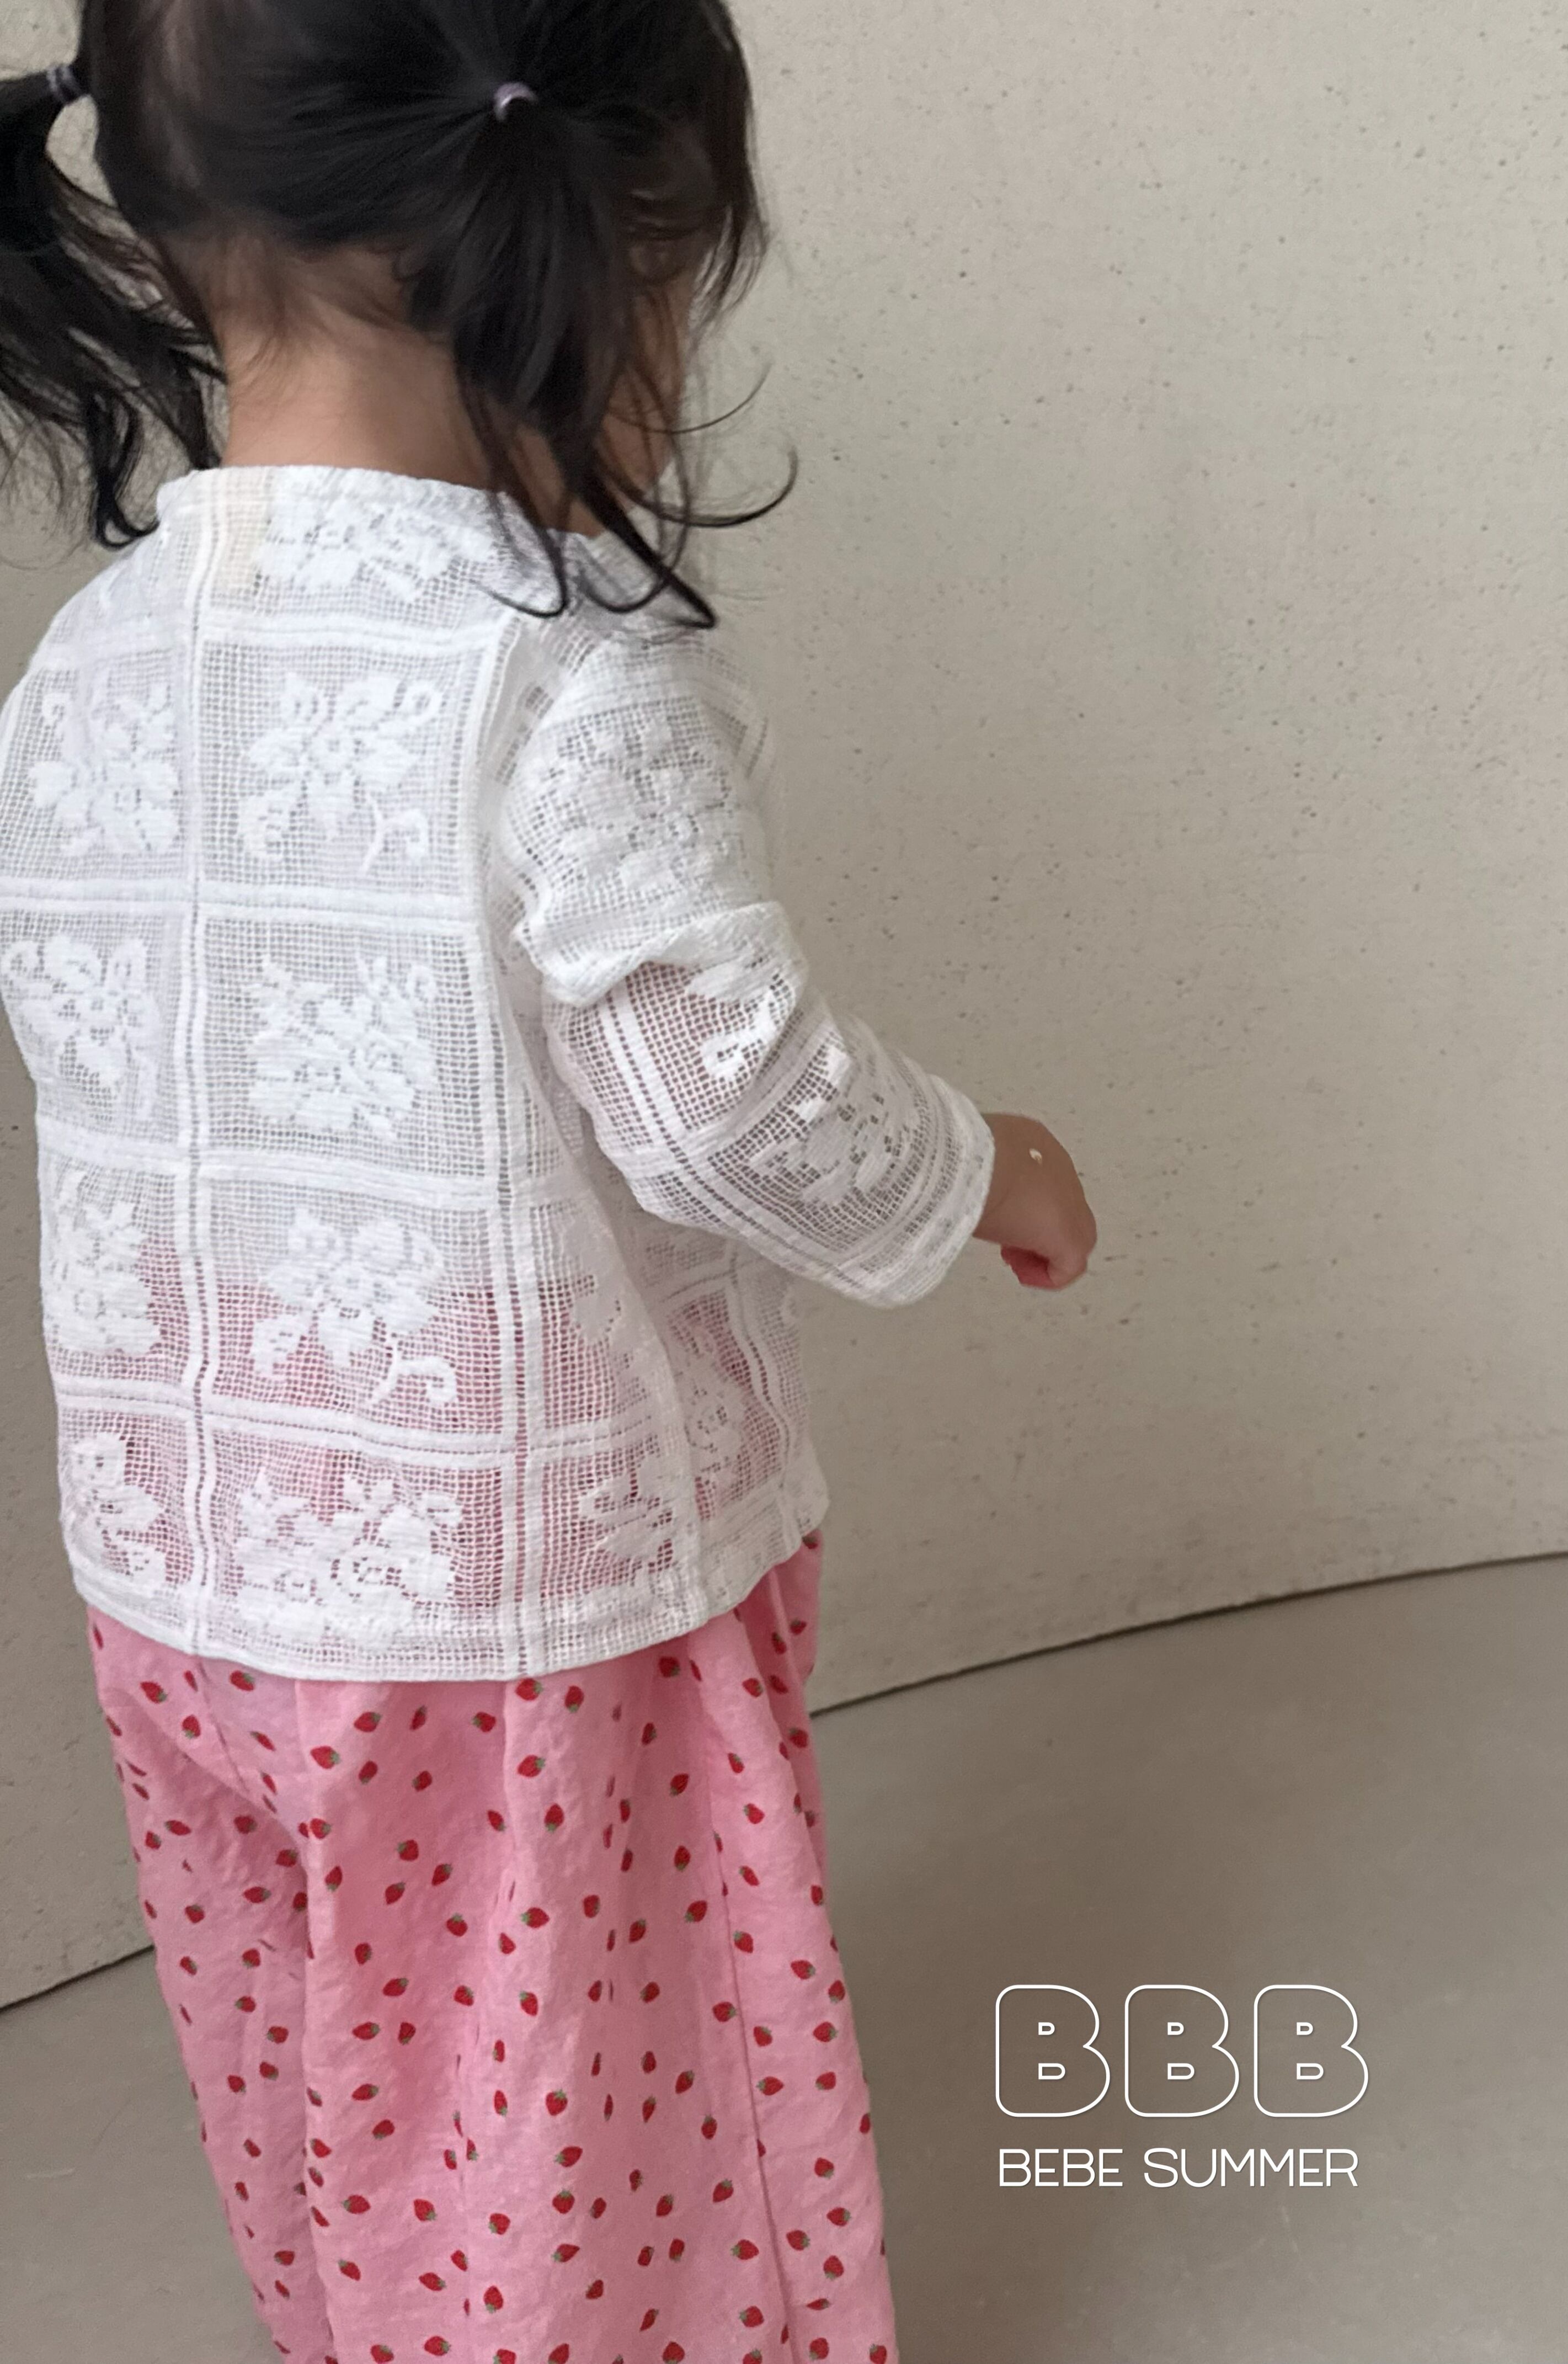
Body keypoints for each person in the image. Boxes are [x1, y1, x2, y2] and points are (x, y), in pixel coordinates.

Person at [0, 4, 1097, 2358]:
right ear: (586, 251)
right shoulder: (559, 672)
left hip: (184, 1580)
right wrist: (983, 1165)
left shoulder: (82, 666)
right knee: (582, 2123)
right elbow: (725, 1097)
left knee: (326, 2068)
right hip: (516, 1602)